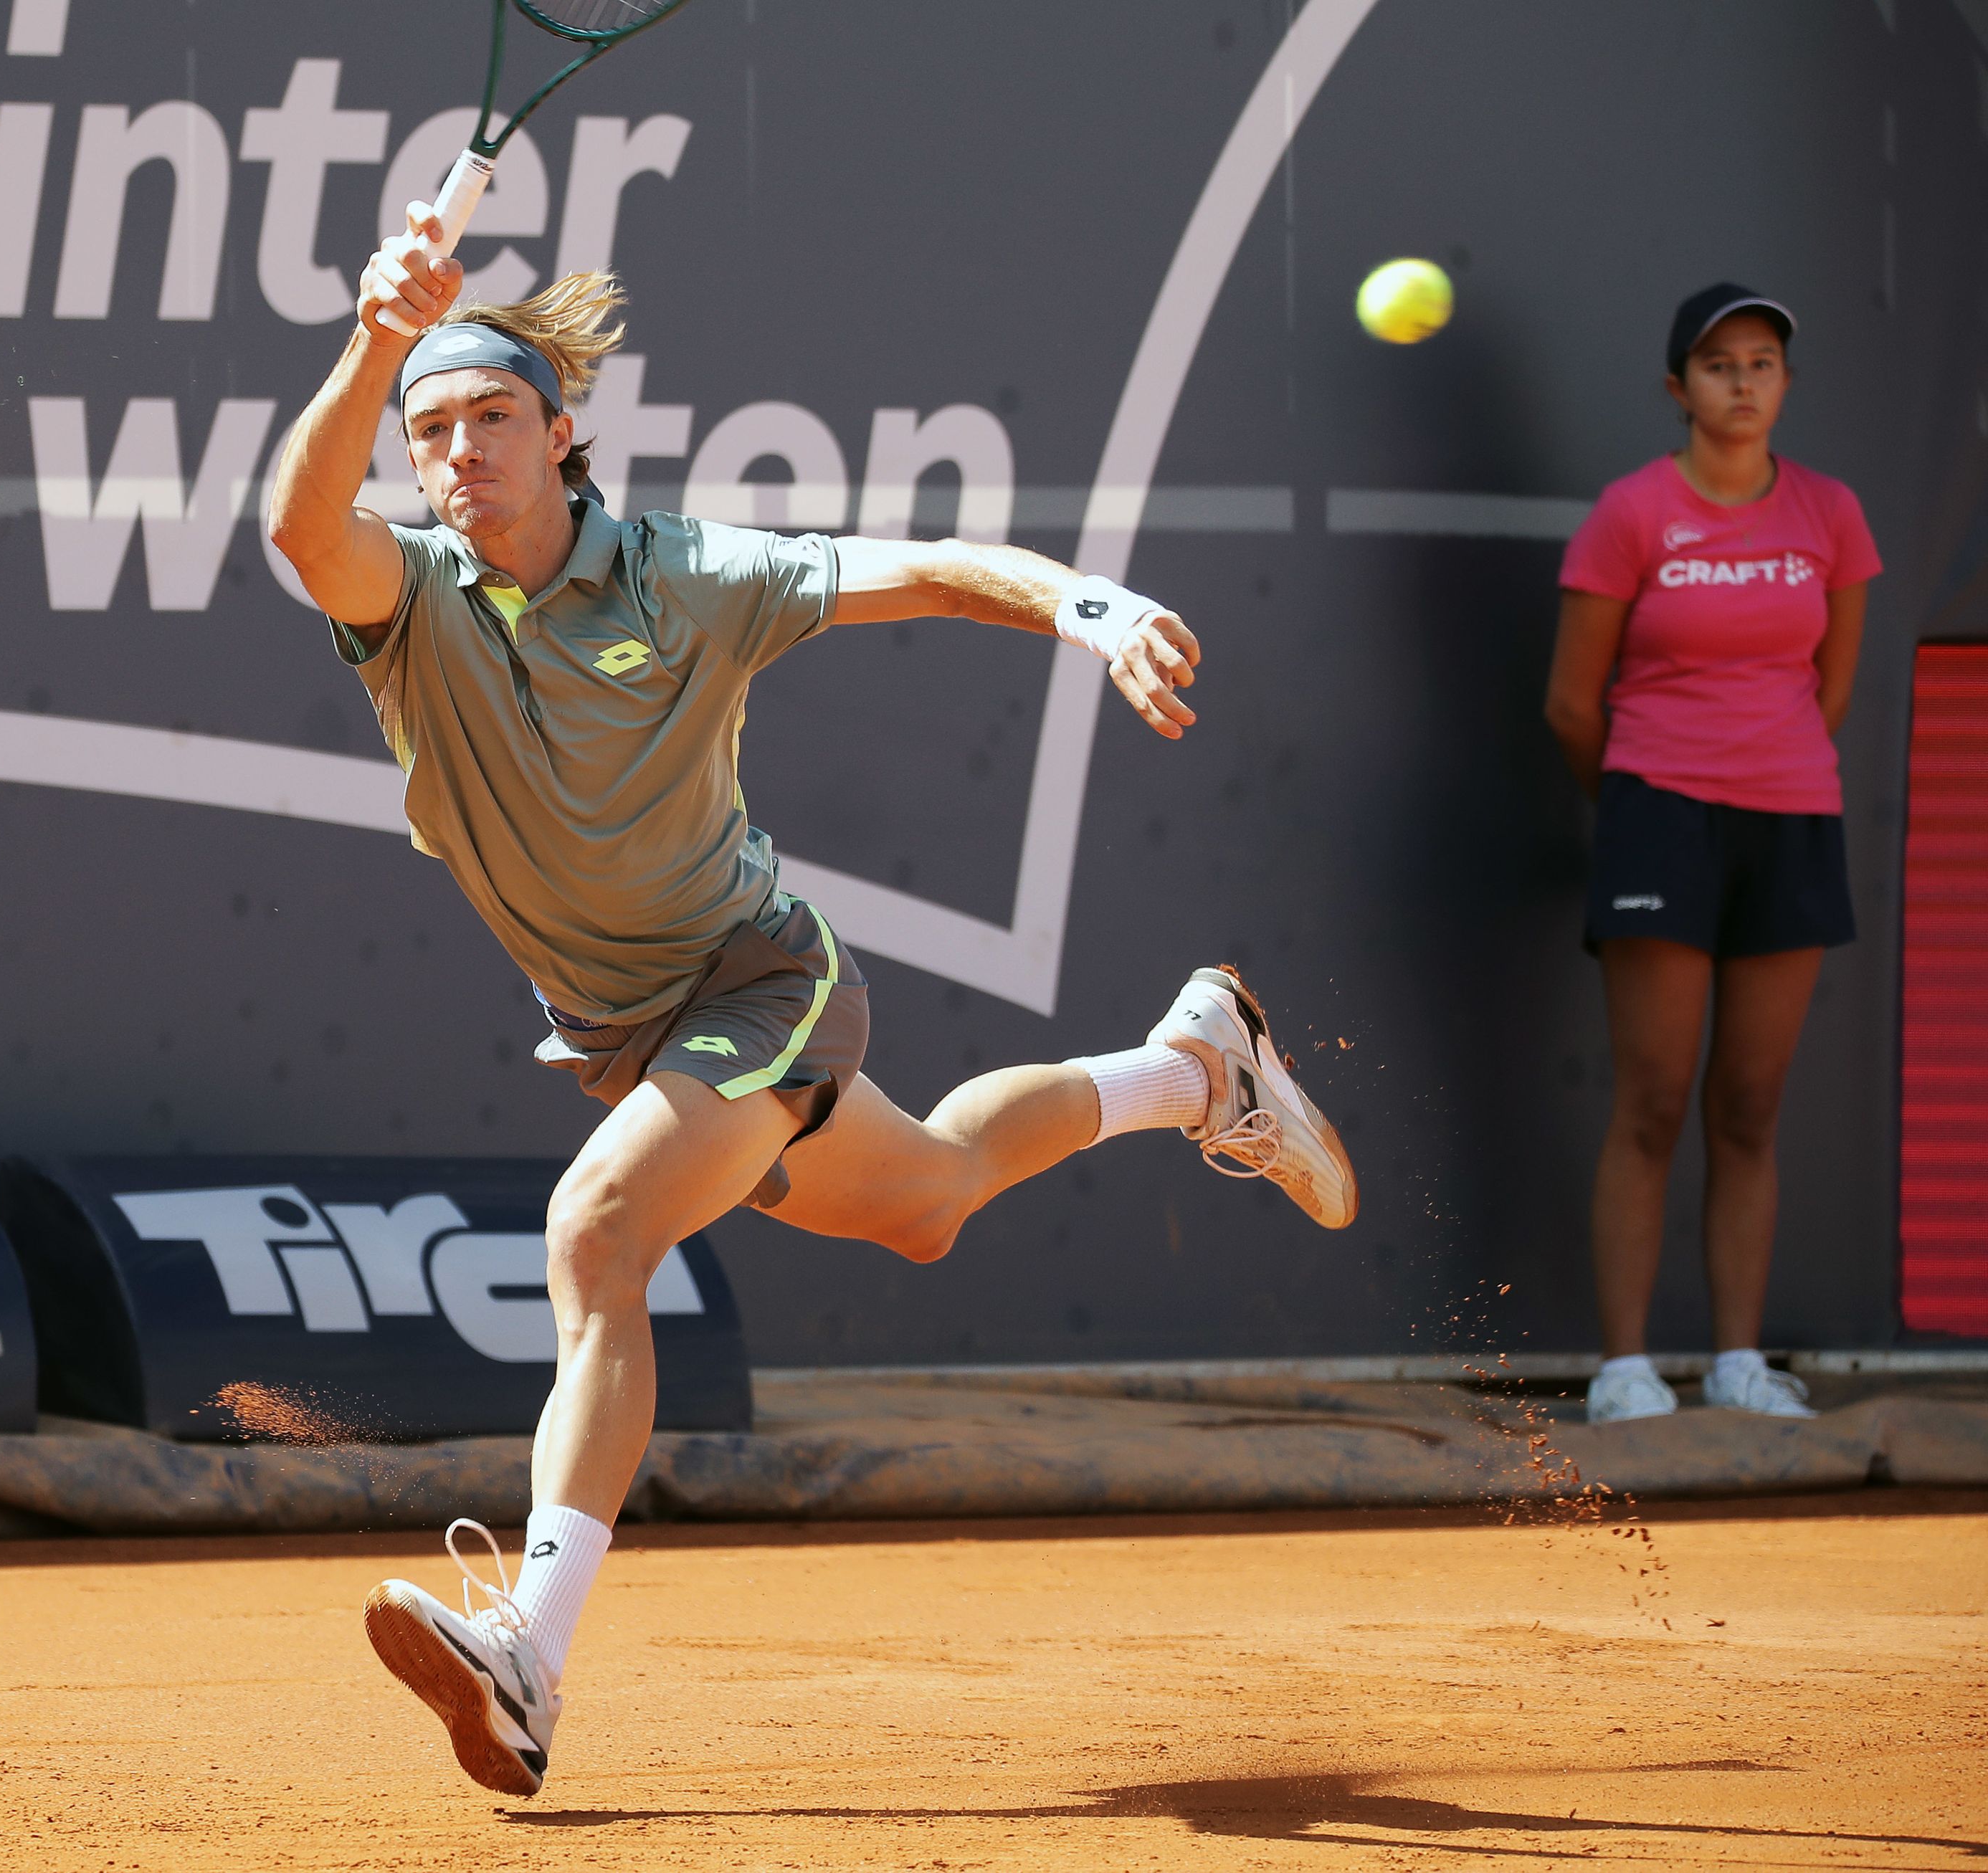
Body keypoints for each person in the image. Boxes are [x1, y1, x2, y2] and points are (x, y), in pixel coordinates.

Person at [266, 203, 1358, 1799]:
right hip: (626, 1032)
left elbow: (924, 570)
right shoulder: (408, 601)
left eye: (491, 415)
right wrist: (376, 340)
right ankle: (1195, 1066)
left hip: (755, 977)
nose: (457, 451)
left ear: (560, 434)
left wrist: (1088, 606)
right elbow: (305, 527)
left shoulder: (690, 575)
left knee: (597, 1234)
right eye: (429, 430)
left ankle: (528, 1653)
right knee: (929, 1197)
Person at [1545, 283, 1880, 1428]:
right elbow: (1571, 703)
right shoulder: (1632, 513)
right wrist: (1642, 804)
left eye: (1762, 362)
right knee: (1651, 1098)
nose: (1743, 381)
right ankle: (1625, 1369)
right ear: (1678, 387)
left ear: (1785, 383)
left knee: (1748, 1106)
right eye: (1720, 362)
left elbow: (1831, 690)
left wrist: (1761, 767)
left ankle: (1740, 1360)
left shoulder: (1832, 514)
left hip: (1791, 820)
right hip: (1658, 816)